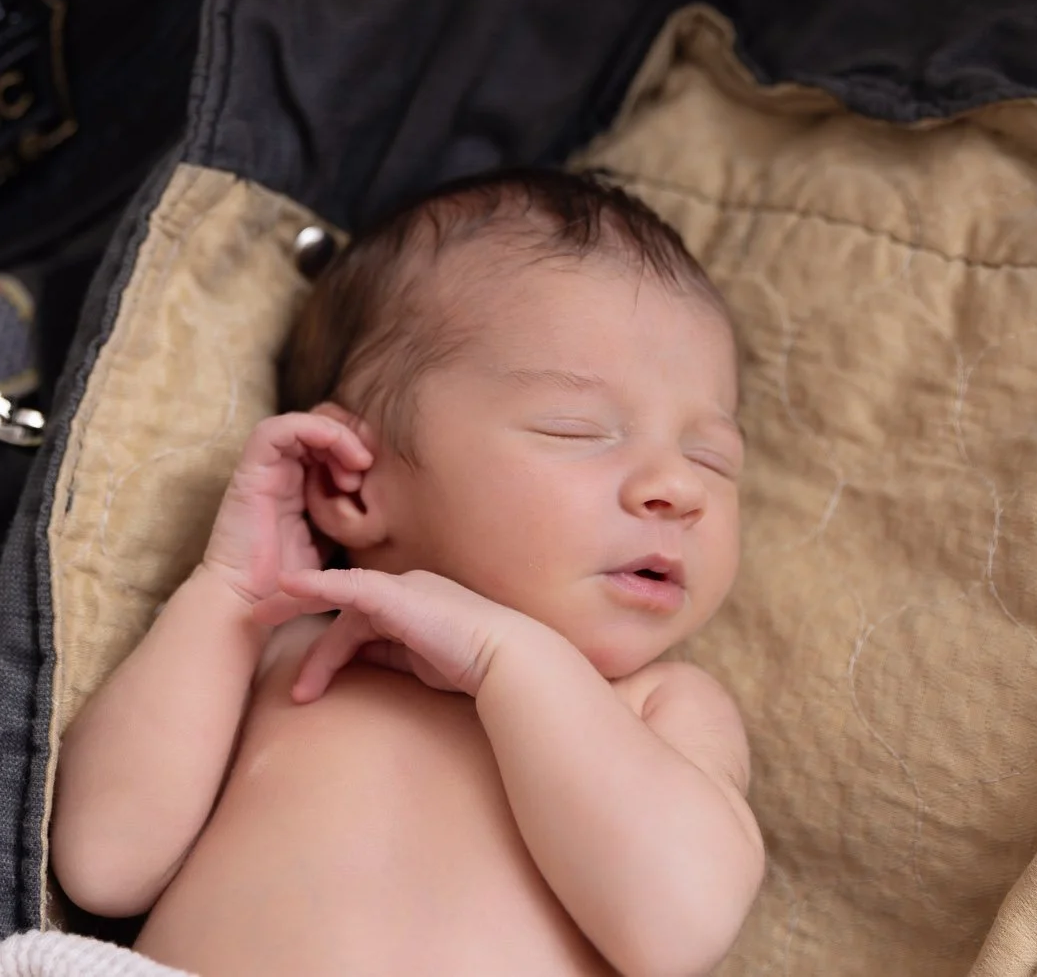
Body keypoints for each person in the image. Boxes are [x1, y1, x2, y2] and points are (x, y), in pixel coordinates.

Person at [50, 169, 765, 977]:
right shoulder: (277, 648)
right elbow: (102, 864)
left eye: (713, 458)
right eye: (578, 431)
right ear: (351, 479)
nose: (678, 489)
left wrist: (510, 659)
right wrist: (230, 595)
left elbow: (677, 931)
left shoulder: (657, 708)